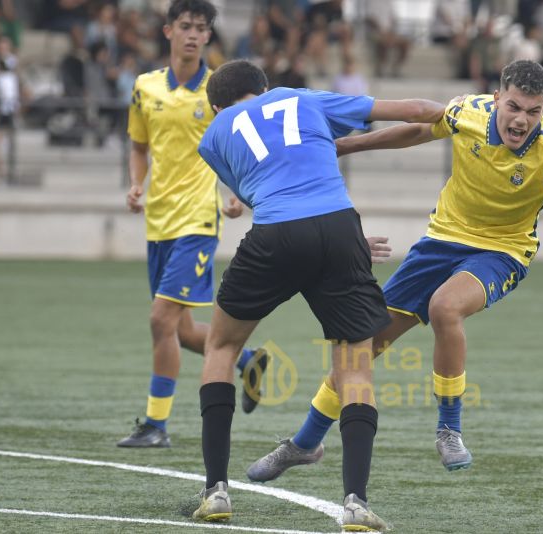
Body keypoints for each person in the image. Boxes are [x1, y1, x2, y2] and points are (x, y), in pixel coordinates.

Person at [246, 59, 543, 481]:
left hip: (502, 252)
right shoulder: (468, 112)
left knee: (446, 307)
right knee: (362, 345)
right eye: (514, 107)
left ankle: (449, 428)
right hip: (439, 242)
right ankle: (304, 443)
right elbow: (422, 130)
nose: (522, 120)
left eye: (534, 112)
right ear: (497, 97)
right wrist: (350, 146)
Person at [191, 58, 447, 531]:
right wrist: (463, 113)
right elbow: (413, 109)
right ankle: (355, 503)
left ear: (215, 106)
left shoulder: (213, 135)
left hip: (275, 233)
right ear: (264, 87)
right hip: (339, 227)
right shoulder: (300, 97)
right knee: (354, 367)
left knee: (222, 346)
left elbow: (260, 194)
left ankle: (215, 492)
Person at [118, 0, 267, 449]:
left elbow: (241, 145)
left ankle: (156, 425)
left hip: (198, 218)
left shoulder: (218, 92)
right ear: (168, 31)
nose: (192, 35)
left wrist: (236, 192)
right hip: (158, 220)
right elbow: (139, 146)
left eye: (201, 29)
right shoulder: (145, 87)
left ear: (207, 37)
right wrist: (135, 184)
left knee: (160, 318)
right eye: (185, 26)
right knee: (179, 331)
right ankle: (248, 362)